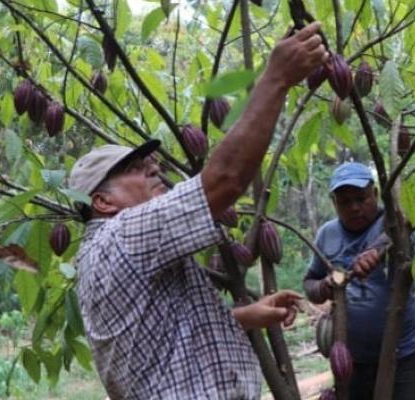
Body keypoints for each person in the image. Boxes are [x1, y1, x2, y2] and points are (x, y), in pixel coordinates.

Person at [69, 22, 329, 399]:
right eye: (133, 169)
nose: (154, 167)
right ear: (103, 202)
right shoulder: (122, 237)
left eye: (149, 161)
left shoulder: (100, 256)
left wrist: (244, 315)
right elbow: (226, 179)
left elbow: (159, 338)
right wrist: (276, 79)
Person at [302, 162, 415, 400]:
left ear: (376, 194)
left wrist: (378, 250)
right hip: (353, 361)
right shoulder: (327, 234)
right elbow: (310, 284)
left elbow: (405, 224)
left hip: (402, 355)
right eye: (345, 202)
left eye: (361, 198)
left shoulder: (393, 222)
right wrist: (324, 286)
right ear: (334, 203)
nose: (355, 208)